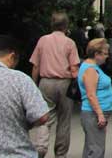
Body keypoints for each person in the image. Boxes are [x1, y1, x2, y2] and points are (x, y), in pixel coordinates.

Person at [29, 11, 80, 158]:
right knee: (64, 120)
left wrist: (34, 84)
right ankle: (60, 154)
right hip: (65, 83)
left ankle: (41, 147)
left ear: (52, 24)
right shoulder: (70, 43)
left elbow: (36, 66)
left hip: (46, 83)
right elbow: (74, 68)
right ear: (66, 26)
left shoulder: (43, 40)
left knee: (45, 117)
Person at [0, 35, 49, 158]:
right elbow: (42, 116)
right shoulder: (20, 80)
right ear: (12, 56)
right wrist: (26, 123)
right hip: (17, 153)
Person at [79, 38, 112, 158]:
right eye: (105, 54)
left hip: (94, 113)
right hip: (93, 114)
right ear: (96, 54)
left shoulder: (91, 67)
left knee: (92, 147)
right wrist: (100, 114)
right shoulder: (90, 70)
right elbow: (91, 94)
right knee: (96, 150)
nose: (107, 56)